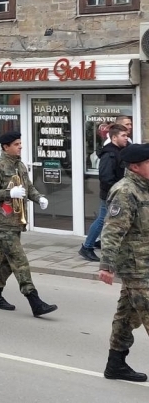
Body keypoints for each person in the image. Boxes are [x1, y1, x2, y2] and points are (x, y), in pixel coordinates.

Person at [0, 131, 57, 316]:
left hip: (16, 220)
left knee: (5, 260)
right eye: (16, 144)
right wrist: (9, 194)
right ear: (6, 147)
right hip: (3, 221)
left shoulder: (20, 165)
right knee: (18, 259)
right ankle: (34, 300)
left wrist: (39, 198)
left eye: (20, 143)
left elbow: (28, 187)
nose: (20, 146)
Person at [98, 143, 149, 382]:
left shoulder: (145, 187)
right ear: (136, 167)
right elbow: (112, 230)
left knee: (126, 316)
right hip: (137, 268)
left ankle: (115, 364)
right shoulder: (126, 191)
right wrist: (106, 265)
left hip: (145, 264)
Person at [80, 124, 130, 262]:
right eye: (123, 136)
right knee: (102, 220)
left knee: (107, 220)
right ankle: (87, 247)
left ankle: (98, 243)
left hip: (115, 193)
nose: (127, 138)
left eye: (127, 135)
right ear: (114, 137)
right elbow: (106, 177)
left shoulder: (119, 151)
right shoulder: (110, 154)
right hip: (110, 194)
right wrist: (116, 192)